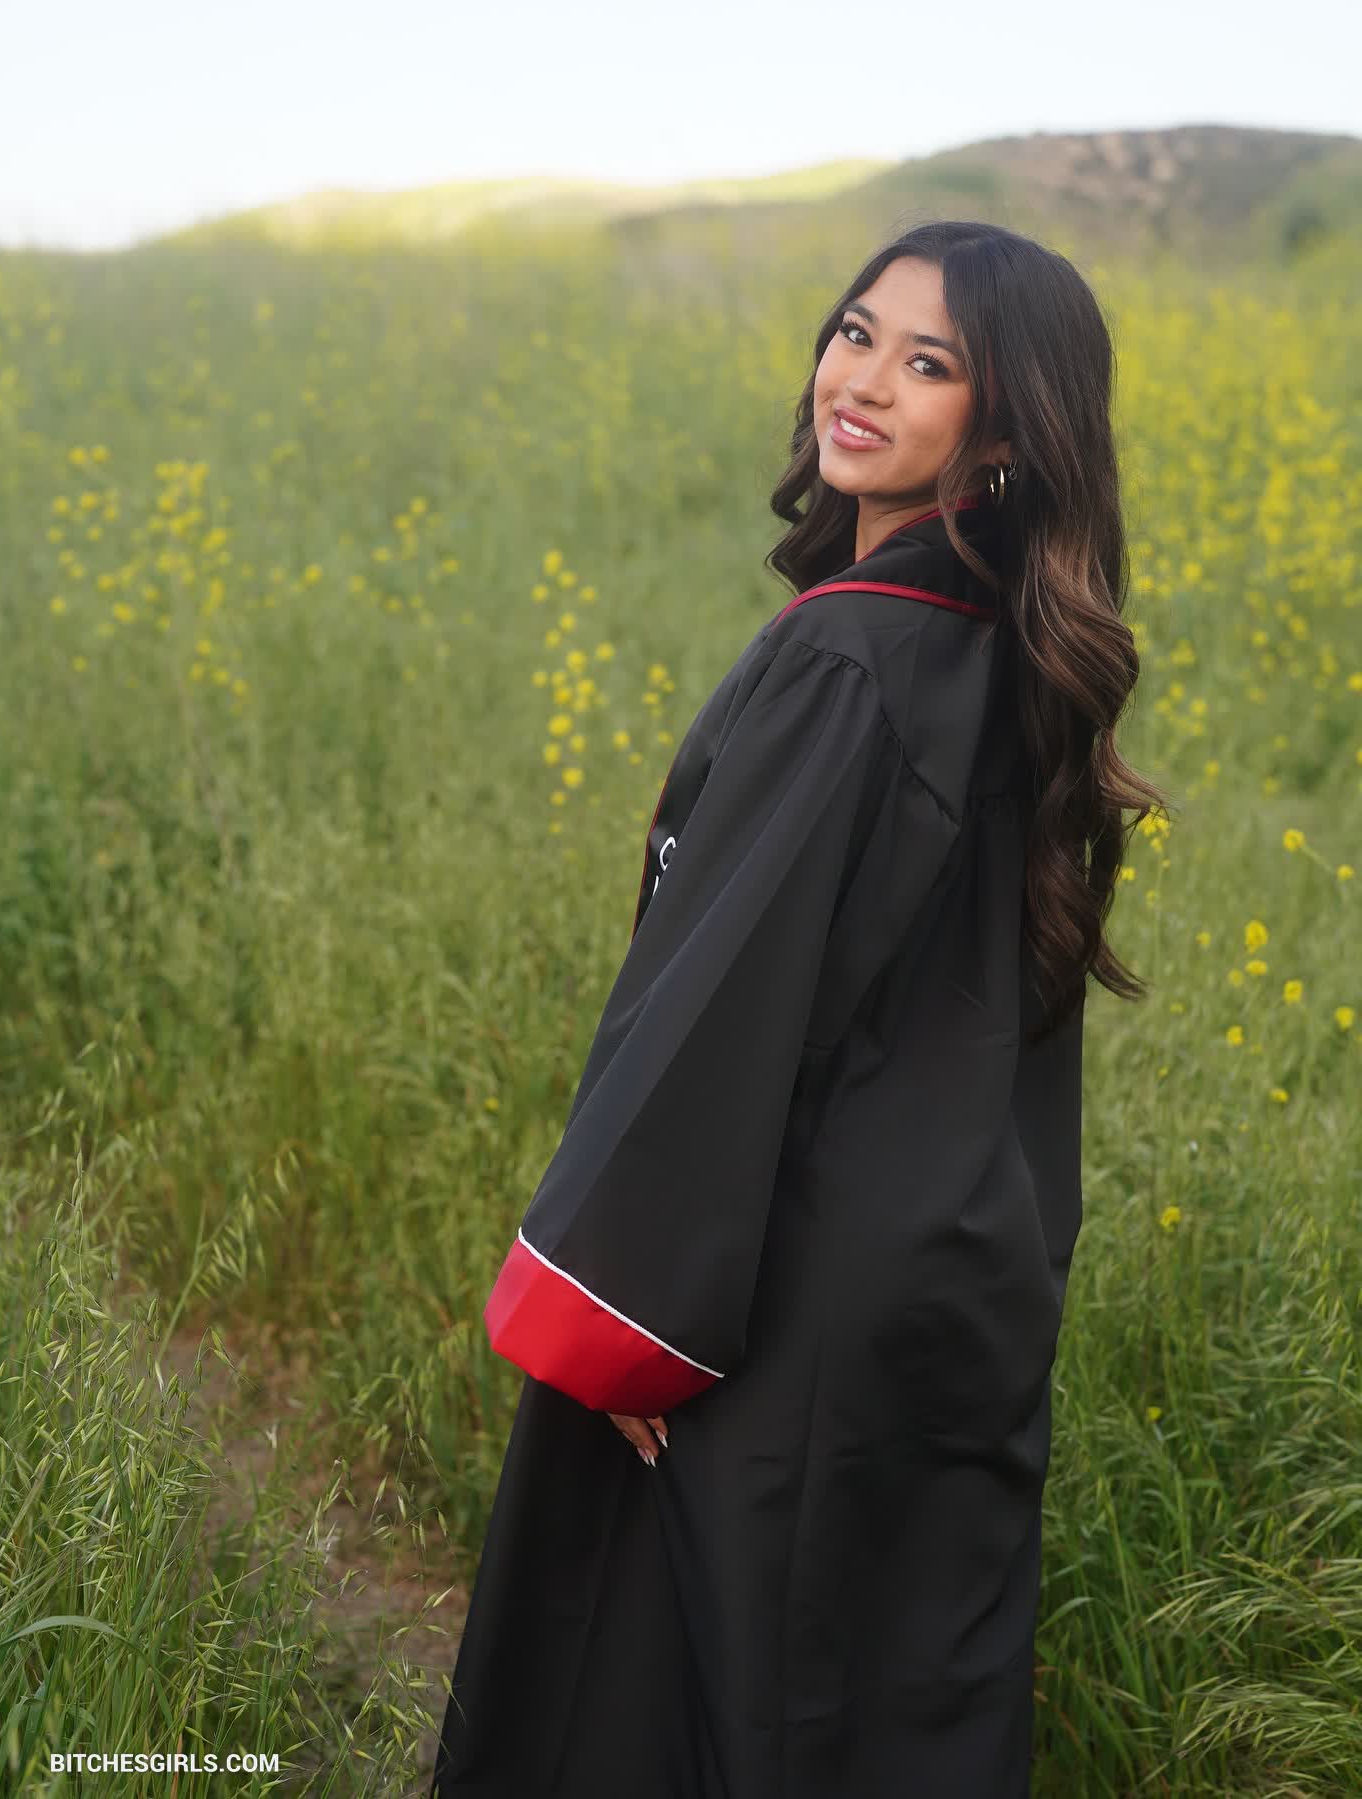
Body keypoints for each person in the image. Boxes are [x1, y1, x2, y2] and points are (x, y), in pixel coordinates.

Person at [429, 219, 1166, 1798]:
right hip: (957, 1271)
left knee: (681, 1687)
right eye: (855, 332)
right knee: (888, 1693)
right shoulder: (1015, 653)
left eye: (930, 362)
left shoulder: (851, 656)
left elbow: (734, 998)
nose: (864, 380)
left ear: (1006, 430)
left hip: (786, 1285)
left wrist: (629, 1317)